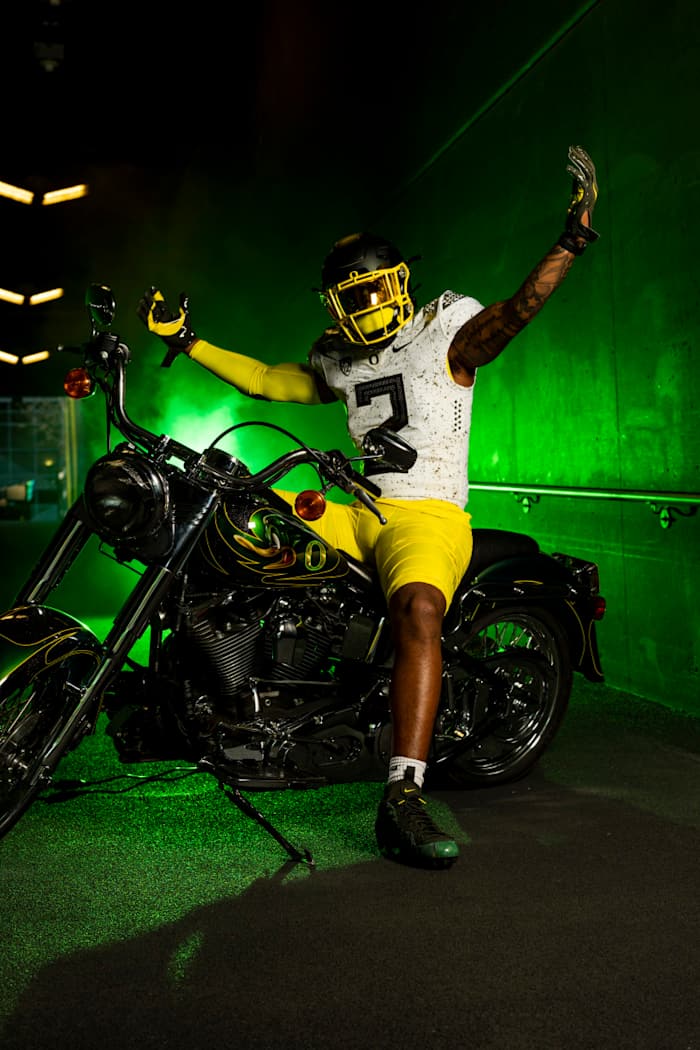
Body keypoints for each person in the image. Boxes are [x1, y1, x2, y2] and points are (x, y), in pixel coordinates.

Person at [137, 144, 599, 870]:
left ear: (400, 284)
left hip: (424, 515)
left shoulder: (446, 330)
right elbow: (265, 379)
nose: (370, 304)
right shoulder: (340, 356)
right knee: (228, 510)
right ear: (337, 304)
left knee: (418, 609)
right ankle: (215, 689)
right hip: (353, 504)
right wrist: (186, 341)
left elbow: (518, 310)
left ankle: (405, 795)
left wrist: (570, 239)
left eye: (376, 290)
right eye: (353, 296)